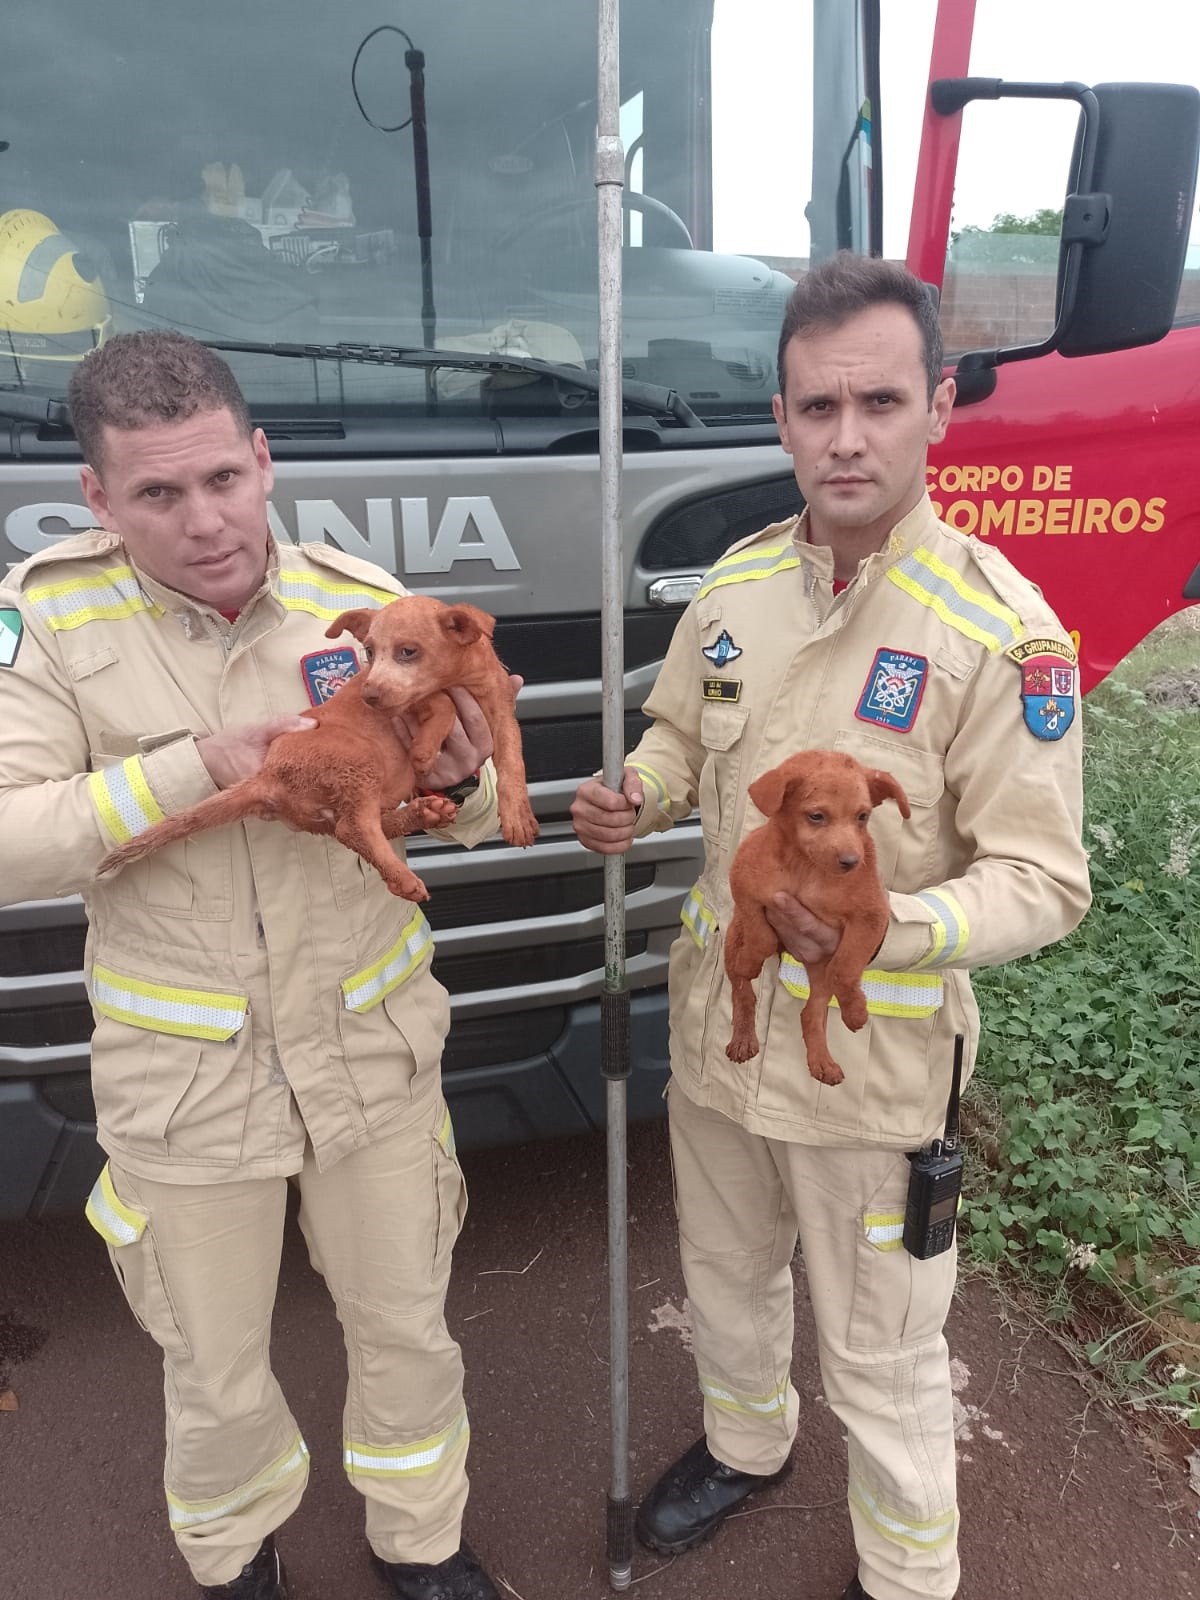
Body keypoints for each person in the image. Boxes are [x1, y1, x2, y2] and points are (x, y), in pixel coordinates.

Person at [571, 253, 1089, 1600]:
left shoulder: (1001, 633)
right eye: (817, 407)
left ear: (940, 407)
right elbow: (681, 734)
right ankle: (746, 1445)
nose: (846, 437)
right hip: (723, 1027)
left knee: (883, 1347)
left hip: (875, 1068)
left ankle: (906, 1575)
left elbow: (1043, 878)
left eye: (879, 402)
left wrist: (887, 930)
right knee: (723, 1275)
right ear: (783, 419)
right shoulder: (736, 587)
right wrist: (639, 790)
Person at [0, 330, 508, 1600]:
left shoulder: (364, 601)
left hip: (369, 1049)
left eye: (224, 477)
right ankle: (235, 1563)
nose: (206, 520)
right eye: (159, 492)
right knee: (214, 1365)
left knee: (406, 1328)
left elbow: (457, 789)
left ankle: (422, 1545)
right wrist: (194, 767)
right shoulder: (43, 620)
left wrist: (458, 779)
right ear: (98, 497)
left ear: (265, 459)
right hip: (186, 1077)